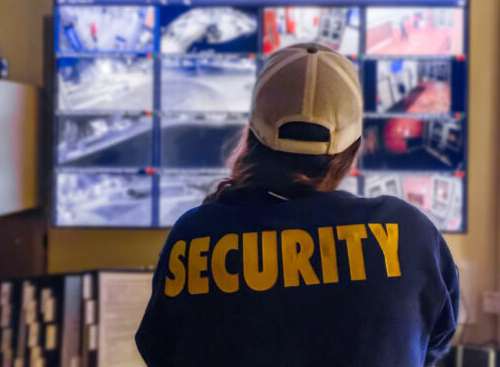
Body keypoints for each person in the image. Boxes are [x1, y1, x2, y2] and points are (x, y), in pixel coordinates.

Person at [135, 43, 459, 366]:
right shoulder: (408, 234)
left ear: (252, 136)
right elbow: (431, 342)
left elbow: (161, 349)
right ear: (353, 147)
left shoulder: (195, 236)